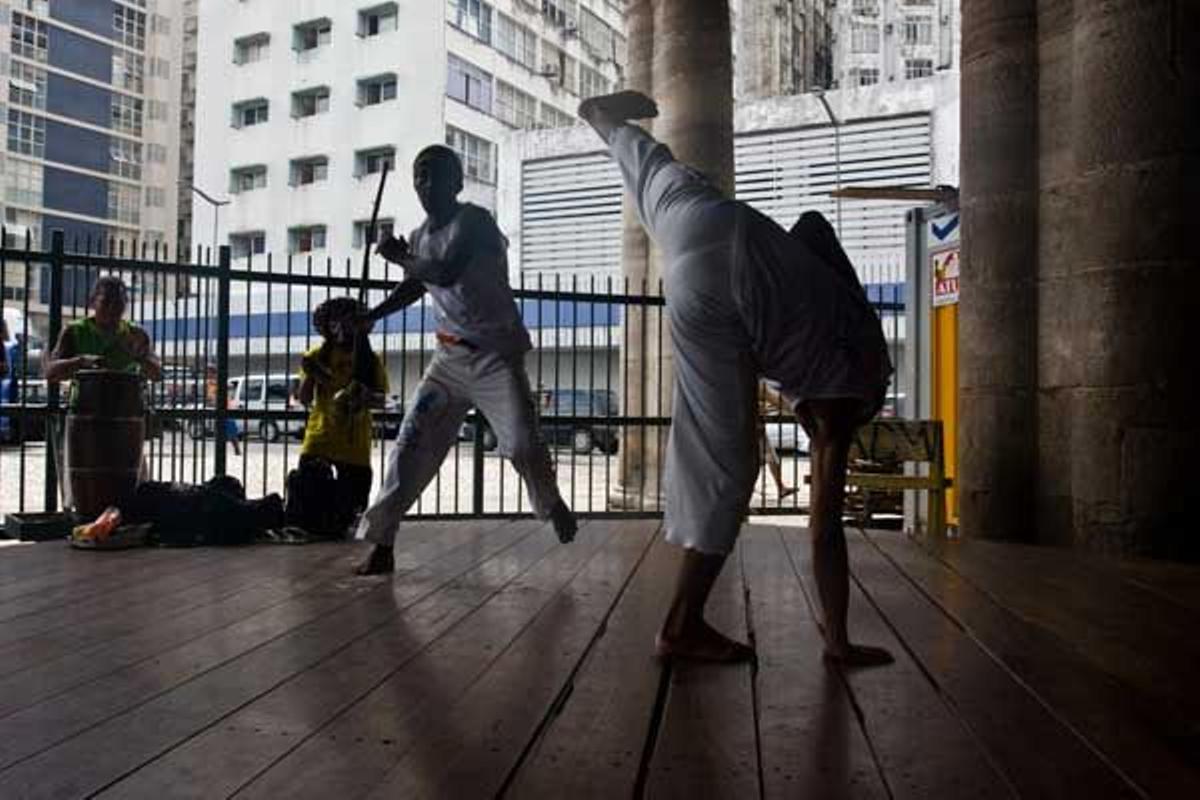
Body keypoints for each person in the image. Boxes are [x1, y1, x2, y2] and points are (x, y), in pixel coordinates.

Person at [579, 91, 893, 666]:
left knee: (657, 175)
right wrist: (840, 641)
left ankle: (605, 123)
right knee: (731, 466)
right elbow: (824, 529)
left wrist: (827, 285)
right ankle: (680, 627)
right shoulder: (845, 400)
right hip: (725, 291)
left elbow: (814, 224)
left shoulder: (842, 320)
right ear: (874, 392)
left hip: (710, 222)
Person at [351, 144, 577, 575]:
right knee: (410, 448)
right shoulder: (419, 237)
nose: (427, 183)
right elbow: (416, 286)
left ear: (457, 183)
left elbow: (444, 272)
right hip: (448, 361)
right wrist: (372, 316)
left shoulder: (474, 221)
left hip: (495, 358)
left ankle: (552, 505)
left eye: (437, 175)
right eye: (420, 175)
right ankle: (381, 543)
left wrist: (399, 256)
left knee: (523, 444)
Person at [291, 296, 389, 537]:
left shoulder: (369, 359)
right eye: (335, 323)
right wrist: (311, 373)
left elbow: (382, 400)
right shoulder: (316, 355)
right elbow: (304, 398)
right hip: (319, 437)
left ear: (360, 326)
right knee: (308, 493)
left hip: (354, 443)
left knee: (349, 509)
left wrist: (362, 397)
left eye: (349, 322)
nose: (342, 328)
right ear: (326, 327)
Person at [44, 275, 162, 386]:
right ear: (92, 303)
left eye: (118, 303)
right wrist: (81, 361)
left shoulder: (136, 333)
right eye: (106, 302)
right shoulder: (74, 330)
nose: (112, 308)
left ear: (125, 304)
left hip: (127, 404)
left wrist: (140, 357)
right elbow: (51, 373)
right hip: (86, 404)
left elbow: (157, 375)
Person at [205, 365, 241, 456]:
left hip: (226, 407)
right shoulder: (209, 383)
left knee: (231, 431)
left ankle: (237, 449)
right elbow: (210, 397)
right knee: (219, 431)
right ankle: (221, 452)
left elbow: (227, 388)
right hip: (218, 408)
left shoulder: (219, 381)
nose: (208, 374)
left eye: (209, 372)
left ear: (214, 372)